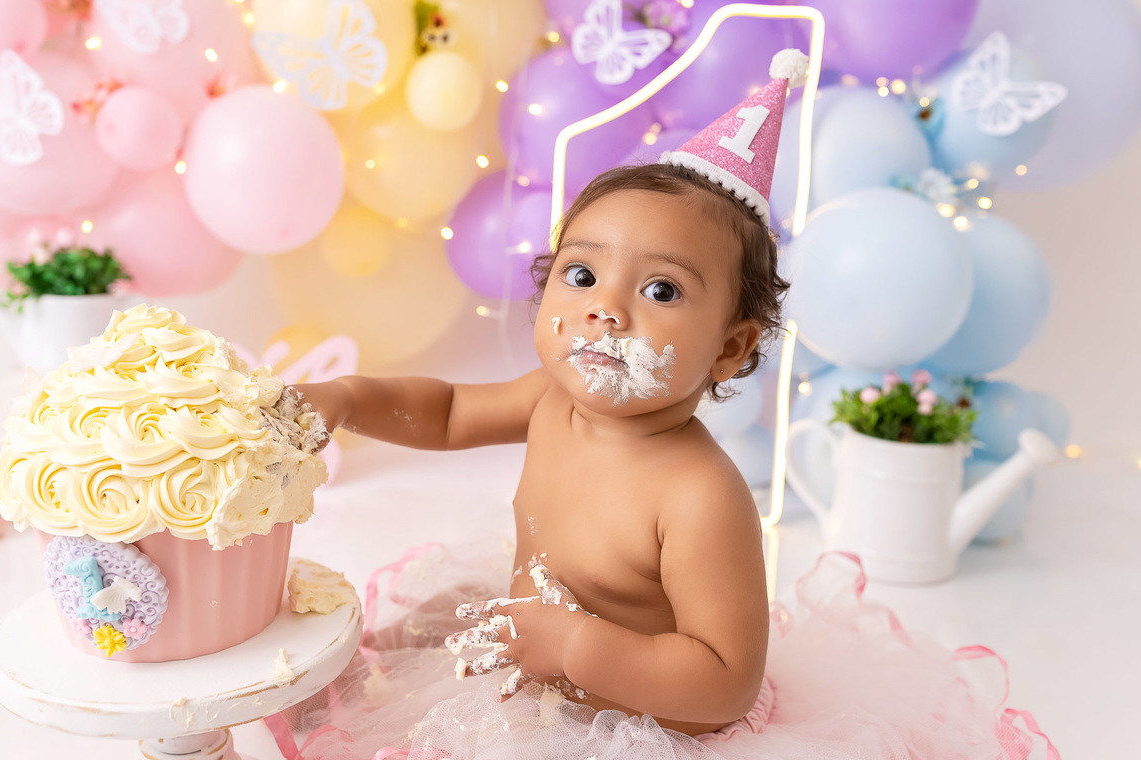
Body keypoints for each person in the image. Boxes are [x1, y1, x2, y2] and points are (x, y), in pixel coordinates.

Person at [275, 51, 1055, 760]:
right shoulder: (551, 399)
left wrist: (578, 648)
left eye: (660, 290)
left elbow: (721, 681)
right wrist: (349, 398)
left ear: (729, 349)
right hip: (531, 649)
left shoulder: (698, 495)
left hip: (629, 724)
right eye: (581, 276)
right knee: (393, 644)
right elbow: (443, 412)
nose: (604, 310)